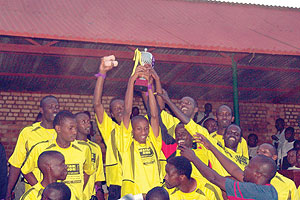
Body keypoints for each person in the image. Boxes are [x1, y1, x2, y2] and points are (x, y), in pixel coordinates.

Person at [21, 110, 94, 199]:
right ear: (58, 128)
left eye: (76, 128)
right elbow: (25, 170)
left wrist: (78, 191)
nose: (75, 132)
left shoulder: (84, 148)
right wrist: (41, 190)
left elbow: (88, 171)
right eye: (70, 128)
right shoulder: (41, 148)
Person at [180, 136, 278, 200]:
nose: (244, 168)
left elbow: (214, 178)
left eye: (248, 167)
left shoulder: (251, 191)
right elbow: (234, 169)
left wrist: (193, 158)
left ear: (257, 174)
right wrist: (211, 147)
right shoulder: (269, 189)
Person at [119, 64, 163, 196]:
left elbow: (154, 116)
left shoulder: (153, 142)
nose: (144, 132)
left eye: (145, 128)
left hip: (155, 194)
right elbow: (127, 112)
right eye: (138, 129)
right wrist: (132, 81)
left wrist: (149, 86)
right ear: (131, 131)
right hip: (134, 195)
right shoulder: (126, 144)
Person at [6, 95, 59, 199]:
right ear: (41, 110)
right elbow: (17, 164)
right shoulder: (28, 132)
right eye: (50, 107)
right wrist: (8, 191)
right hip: (33, 191)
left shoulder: (62, 132)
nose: (54, 110)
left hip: (58, 192)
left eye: (57, 107)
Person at [93, 55, 123, 200]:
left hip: (136, 183)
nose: (120, 110)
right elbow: (97, 104)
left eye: (122, 107)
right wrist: (102, 74)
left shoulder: (139, 128)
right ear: (111, 113)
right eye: (116, 109)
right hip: (116, 184)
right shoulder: (109, 128)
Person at [173, 124, 222, 199]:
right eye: (178, 134)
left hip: (202, 190)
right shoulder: (172, 153)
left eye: (183, 133)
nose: (180, 137)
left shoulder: (203, 150)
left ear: (191, 136)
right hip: (181, 192)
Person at [75, 112, 105, 200]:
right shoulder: (70, 146)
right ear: (75, 125)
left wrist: (98, 190)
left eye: (88, 122)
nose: (87, 124)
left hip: (90, 195)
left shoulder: (95, 148)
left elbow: (98, 175)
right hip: (75, 194)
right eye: (83, 122)